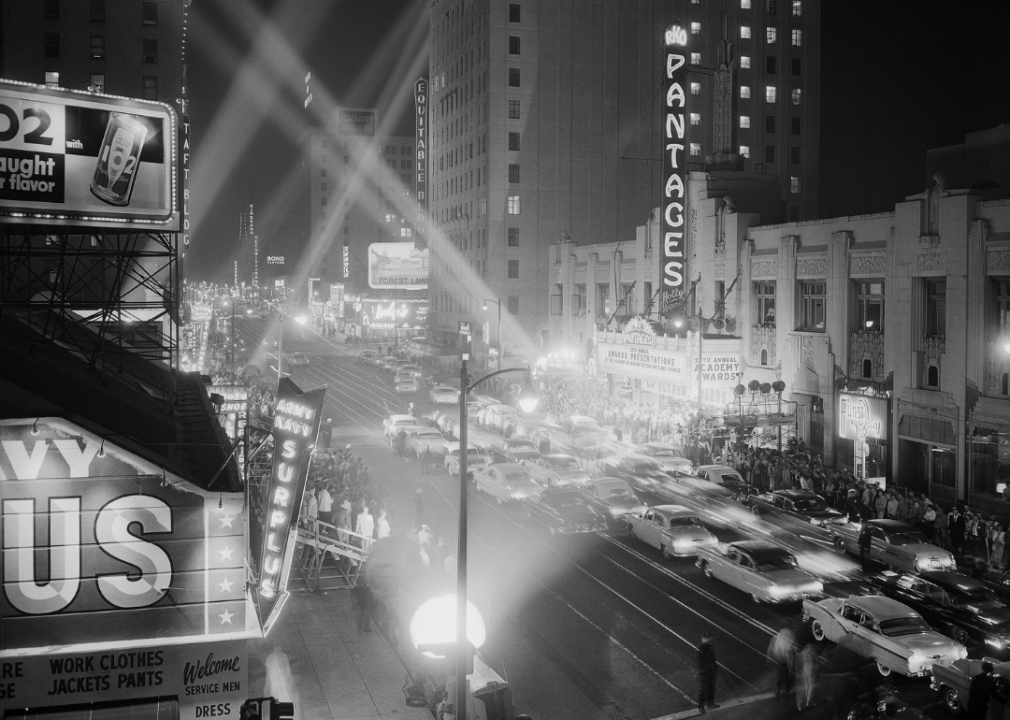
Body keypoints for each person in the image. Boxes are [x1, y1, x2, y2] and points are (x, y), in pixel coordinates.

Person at [767, 626, 796, 699]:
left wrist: (769, 658)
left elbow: (771, 647)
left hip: (778, 658)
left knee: (779, 676)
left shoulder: (778, 636)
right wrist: (791, 666)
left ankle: (778, 691)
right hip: (785, 660)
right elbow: (790, 652)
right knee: (787, 677)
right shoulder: (791, 635)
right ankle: (786, 691)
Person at [696, 632, 718, 713]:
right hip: (704, 672)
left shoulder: (709, 646)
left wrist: (715, 668)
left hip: (710, 671)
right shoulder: (701, 648)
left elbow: (712, 658)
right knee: (703, 690)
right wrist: (701, 670)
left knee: (711, 688)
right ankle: (701, 707)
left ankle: (710, 703)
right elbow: (699, 661)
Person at [796, 642, 817, 710]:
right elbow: (815, 658)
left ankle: (804, 701)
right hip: (811, 667)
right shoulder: (811, 649)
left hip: (805, 667)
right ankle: (809, 701)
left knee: (806, 684)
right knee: (811, 685)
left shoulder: (803, 651)